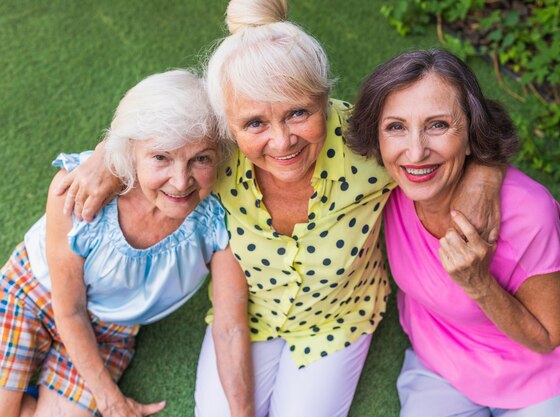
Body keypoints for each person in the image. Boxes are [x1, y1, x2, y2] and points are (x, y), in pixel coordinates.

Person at [53, 2, 504, 416]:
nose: (282, 141)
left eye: (298, 113)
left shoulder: (367, 143)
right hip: (249, 315)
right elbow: (151, 134)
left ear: (325, 100)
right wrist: (104, 162)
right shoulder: (213, 155)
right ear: (227, 124)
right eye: (254, 123)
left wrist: (485, 174)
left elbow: (462, 135)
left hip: (339, 320)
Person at [346, 49, 560, 417]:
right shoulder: (386, 184)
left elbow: (547, 338)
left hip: (533, 376)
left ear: (472, 135)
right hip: (440, 365)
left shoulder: (528, 214)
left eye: (438, 125)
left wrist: (478, 283)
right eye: (396, 127)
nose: (415, 151)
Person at [0, 70, 241, 417]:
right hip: (33, 293)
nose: (180, 181)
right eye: (161, 157)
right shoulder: (81, 189)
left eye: (200, 159)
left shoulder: (217, 218)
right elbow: (68, 310)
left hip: (110, 331)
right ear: (131, 152)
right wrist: (111, 401)